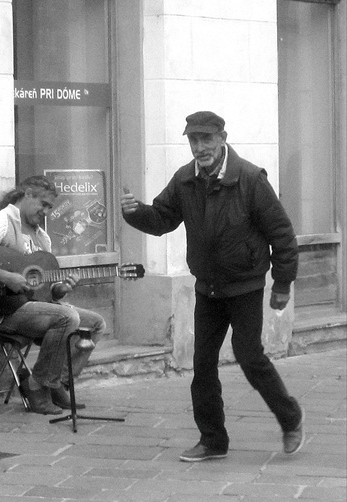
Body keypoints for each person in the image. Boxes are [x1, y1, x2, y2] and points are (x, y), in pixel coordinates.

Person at [121, 111, 304, 461]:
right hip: (208, 287)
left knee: (250, 357)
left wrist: (282, 283)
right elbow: (162, 220)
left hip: (245, 284)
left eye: (206, 139)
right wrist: (135, 212)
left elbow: (282, 234)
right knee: (202, 364)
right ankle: (213, 441)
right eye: (193, 140)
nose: (200, 147)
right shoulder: (184, 180)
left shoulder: (250, 178)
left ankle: (290, 417)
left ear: (222, 138)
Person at [0, 175, 106, 415]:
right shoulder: (1, 222)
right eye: (43, 204)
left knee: (96, 324)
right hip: (3, 311)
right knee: (67, 317)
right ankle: (36, 386)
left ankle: (57, 383)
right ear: (28, 194)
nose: (46, 211)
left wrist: (61, 288)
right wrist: (5, 277)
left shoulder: (41, 238)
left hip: (36, 308)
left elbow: (46, 290)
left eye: (50, 207)